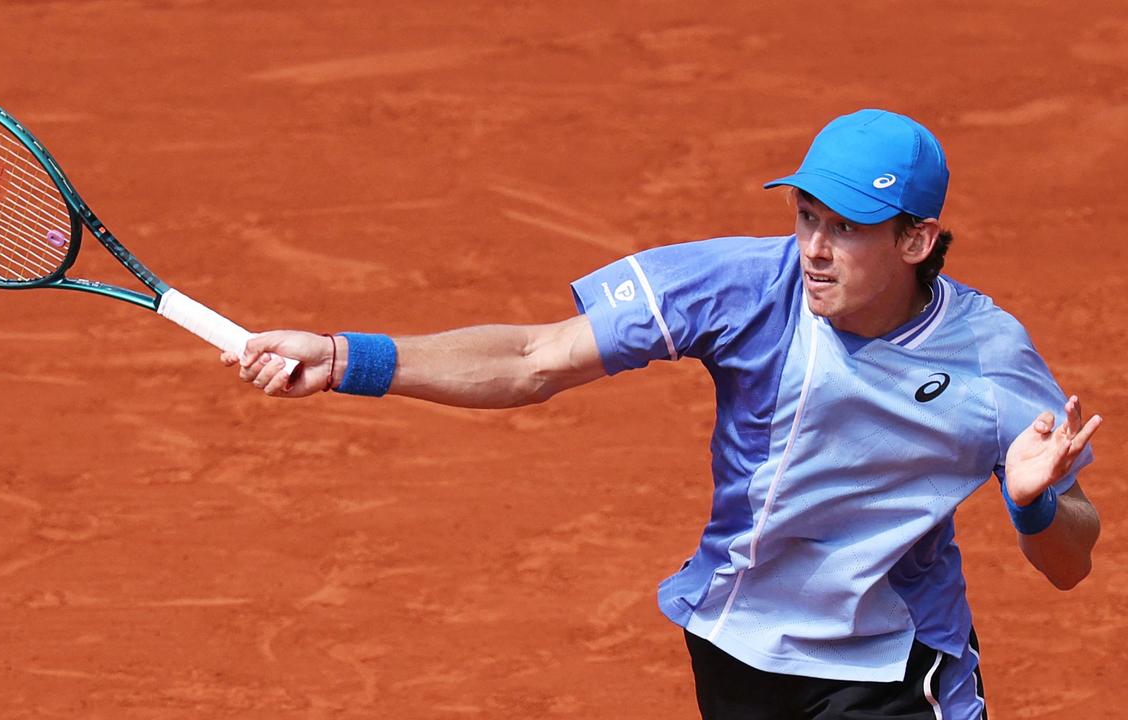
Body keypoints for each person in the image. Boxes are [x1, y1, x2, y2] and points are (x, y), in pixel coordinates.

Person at [220, 109, 1101, 719]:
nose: (815, 251)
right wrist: (344, 358)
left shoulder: (988, 360)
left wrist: (1032, 505)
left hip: (890, 661)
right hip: (736, 639)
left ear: (916, 239)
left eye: (848, 229)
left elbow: (1070, 562)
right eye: (805, 218)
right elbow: (536, 360)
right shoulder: (743, 287)